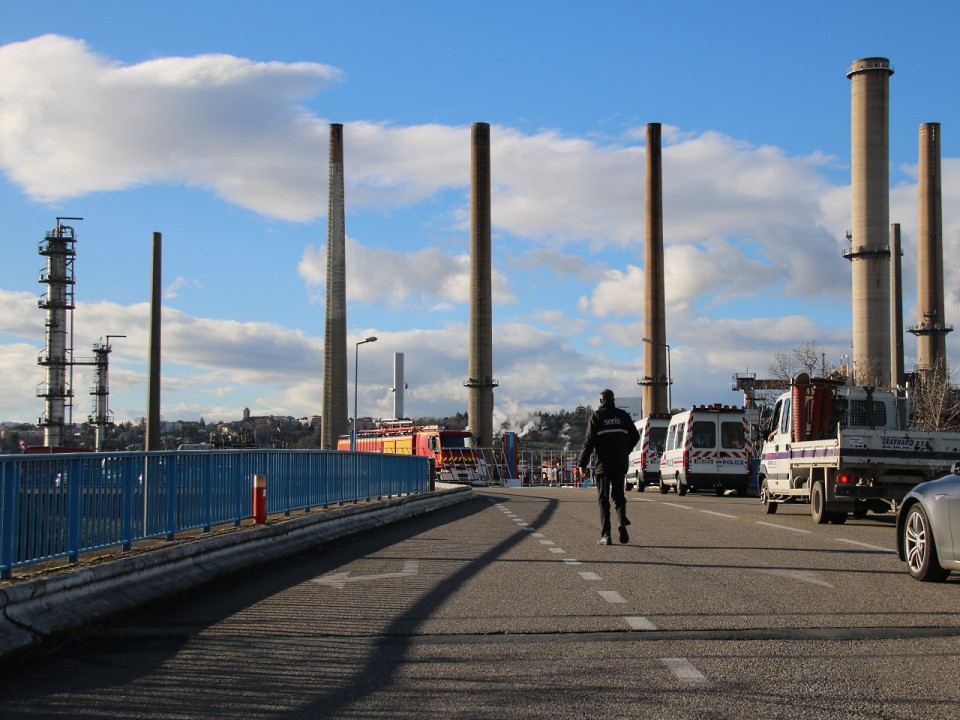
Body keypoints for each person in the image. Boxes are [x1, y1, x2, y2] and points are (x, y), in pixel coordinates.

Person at [577, 389, 641, 545]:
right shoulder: (623, 416)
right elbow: (635, 436)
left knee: (603, 498)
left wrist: (582, 463)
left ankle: (606, 535)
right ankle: (621, 522)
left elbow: (589, 441)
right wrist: (625, 450)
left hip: (603, 464)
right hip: (620, 463)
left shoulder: (596, 416)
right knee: (619, 495)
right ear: (613, 400)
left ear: (601, 401)